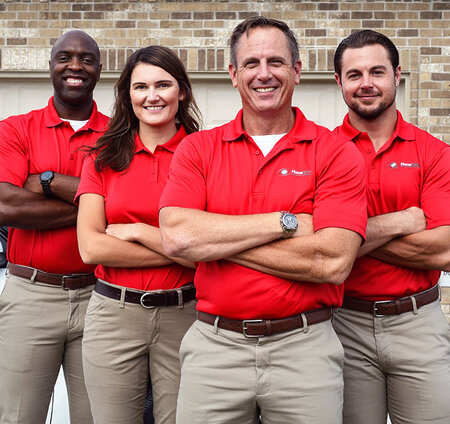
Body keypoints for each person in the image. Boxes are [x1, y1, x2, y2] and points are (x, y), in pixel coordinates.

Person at [159, 16, 367, 424]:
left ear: (298, 71)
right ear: (234, 75)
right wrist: (286, 222)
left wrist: (218, 240)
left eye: (276, 61)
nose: (264, 74)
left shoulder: (335, 152)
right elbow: (179, 238)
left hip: (305, 348)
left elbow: (332, 262)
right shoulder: (197, 150)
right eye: (251, 63)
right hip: (214, 347)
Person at [76, 45, 201, 424]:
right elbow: (91, 246)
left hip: (188, 314)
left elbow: (210, 253)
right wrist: (178, 247)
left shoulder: (204, 153)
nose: (152, 96)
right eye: (140, 86)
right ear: (127, 96)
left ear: (182, 91)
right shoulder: (102, 156)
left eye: (163, 85)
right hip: (114, 314)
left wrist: (139, 232)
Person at [332, 29, 450, 424]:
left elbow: (443, 250)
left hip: (418, 321)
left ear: (396, 75)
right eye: (354, 74)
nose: (366, 84)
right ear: (339, 82)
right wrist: (402, 221)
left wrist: (344, 237)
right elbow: (312, 242)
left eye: (377, 72)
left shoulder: (433, 152)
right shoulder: (321, 152)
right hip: (342, 321)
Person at [0, 30, 107, 424]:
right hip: (31, 295)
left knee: (98, 418)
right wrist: (97, 205)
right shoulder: (15, 129)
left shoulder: (117, 136)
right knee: (17, 417)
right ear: (50, 66)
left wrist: (45, 181)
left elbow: (130, 207)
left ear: (99, 70)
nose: (75, 66)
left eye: (86, 59)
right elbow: (5, 205)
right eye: (65, 57)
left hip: (102, 299)